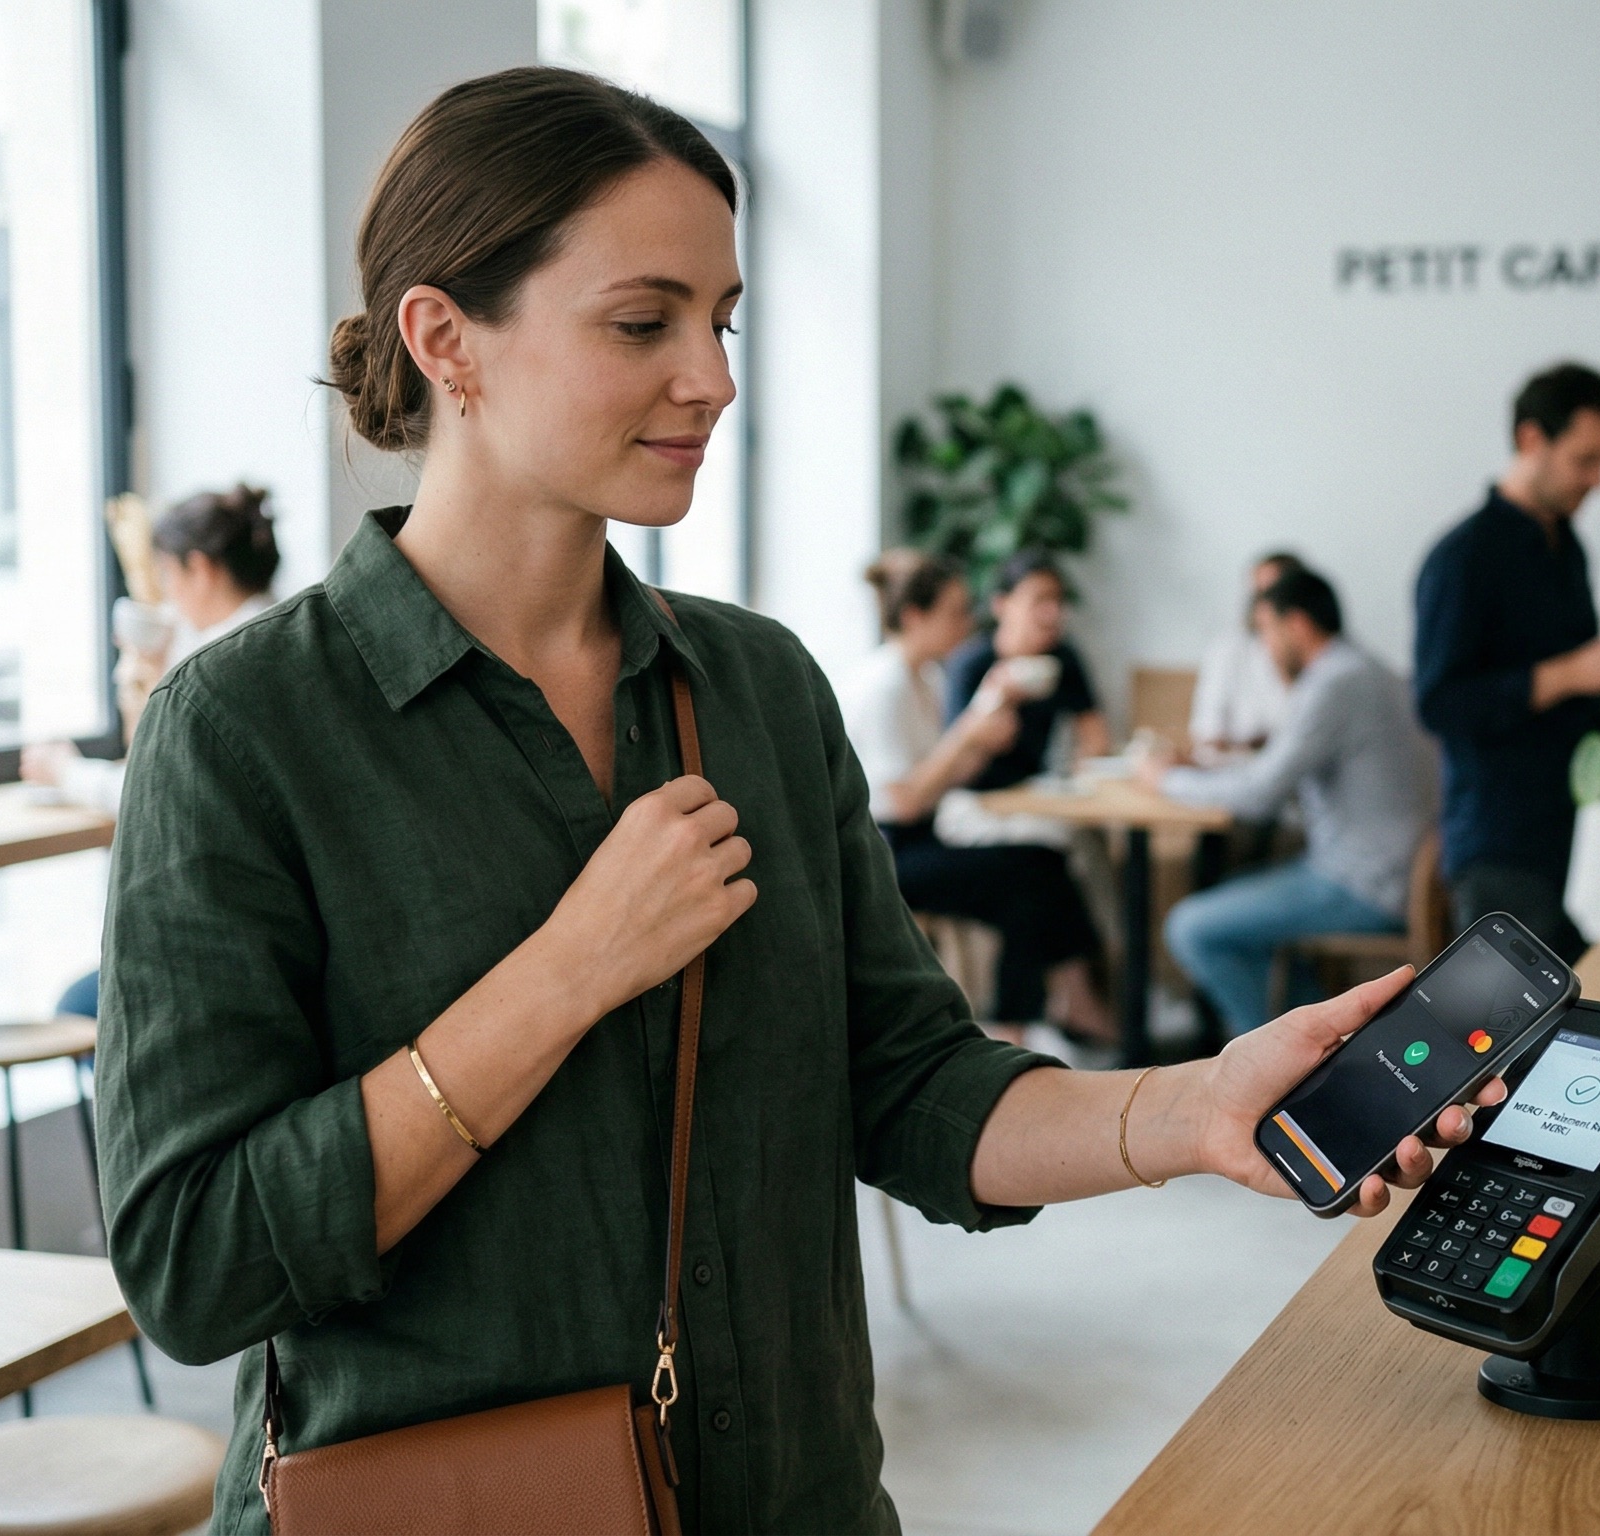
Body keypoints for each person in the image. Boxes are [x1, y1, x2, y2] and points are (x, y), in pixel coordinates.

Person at [93, 68, 1494, 1536]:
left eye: (721, 318)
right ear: (445, 340)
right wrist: (567, 971)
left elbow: (907, 1085)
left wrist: (1193, 1107)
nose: (711, 376)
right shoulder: (244, 731)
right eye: (643, 322)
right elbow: (196, 1263)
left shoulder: (753, 690)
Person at [1414, 362, 1600, 965]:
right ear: (1530, 440)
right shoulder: (1462, 557)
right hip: (1501, 841)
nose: (1598, 480)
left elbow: (1574, 690)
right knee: (1509, 1046)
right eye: (1585, 459)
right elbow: (1440, 704)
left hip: (1577, 833)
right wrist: (1577, 671)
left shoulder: (1566, 543)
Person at [25, 484, 281, 1019]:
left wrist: (66, 771)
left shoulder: (215, 666)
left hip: (224, 938)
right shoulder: (283, 635)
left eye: (167, 576)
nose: (165, 594)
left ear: (201, 569)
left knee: (77, 1005)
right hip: (271, 923)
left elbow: (152, 790)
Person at [839, 549, 1115, 1044]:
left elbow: (941, 778)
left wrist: (982, 742)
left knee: (1041, 864)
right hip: (884, 851)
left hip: (923, 835)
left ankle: (1031, 1016)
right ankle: (1026, 1020)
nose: (968, 623)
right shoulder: (884, 685)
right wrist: (969, 734)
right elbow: (902, 801)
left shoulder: (925, 677)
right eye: (955, 612)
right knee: (1033, 871)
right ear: (914, 617)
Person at [1150, 569, 1438, 1035]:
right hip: (1394, 872)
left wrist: (1167, 780)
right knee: (1237, 902)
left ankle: (1286, 1066)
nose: (1263, 647)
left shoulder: (1334, 684)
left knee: (1190, 926)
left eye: (1265, 629)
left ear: (1297, 625)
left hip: (1363, 883)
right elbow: (1274, 770)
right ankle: (1321, 1045)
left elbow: (1261, 794)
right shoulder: (1366, 669)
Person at [943, 549, 1112, 787]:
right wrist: (996, 697)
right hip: (973, 800)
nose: (1052, 613)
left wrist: (1077, 778)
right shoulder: (970, 663)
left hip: (1034, 791)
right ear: (1001, 605)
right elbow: (955, 768)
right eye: (1040, 600)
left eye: (1058, 600)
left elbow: (1096, 739)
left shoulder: (1062, 659)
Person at [1190, 550, 1307, 754]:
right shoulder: (1227, 650)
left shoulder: (1324, 661)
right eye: (1258, 595)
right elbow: (1207, 734)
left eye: (1272, 594)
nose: (1263, 605)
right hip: (1236, 771)